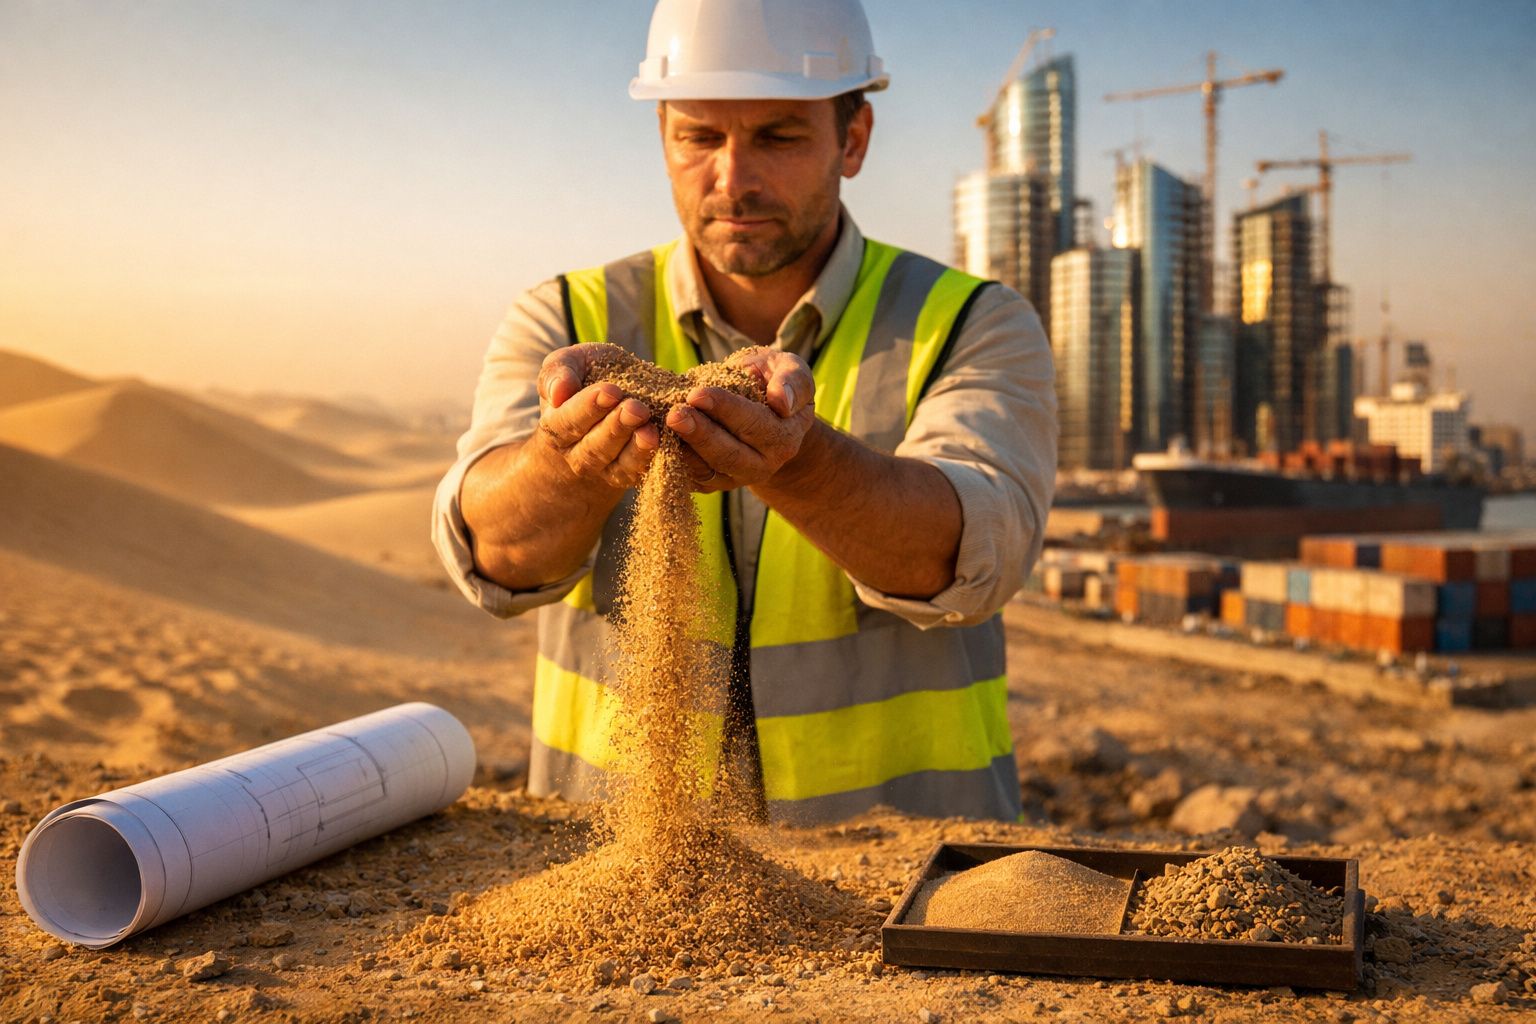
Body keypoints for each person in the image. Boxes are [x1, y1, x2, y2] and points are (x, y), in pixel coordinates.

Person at [432, 0, 1057, 824]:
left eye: (779, 135)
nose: (733, 178)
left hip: (900, 878)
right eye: (701, 137)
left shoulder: (970, 323)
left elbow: (977, 554)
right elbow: (493, 551)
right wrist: (569, 462)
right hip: (615, 884)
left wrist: (799, 462)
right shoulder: (567, 316)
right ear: (663, 137)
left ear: (854, 138)